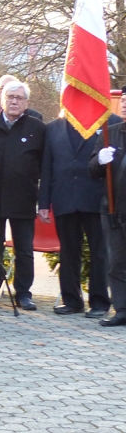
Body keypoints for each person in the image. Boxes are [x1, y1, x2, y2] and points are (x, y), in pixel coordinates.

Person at [39, 112, 120, 317]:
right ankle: (72, 300)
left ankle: (100, 302)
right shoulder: (53, 127)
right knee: (68, 252)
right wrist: (43, 202)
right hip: (64, 196)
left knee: (99, 253)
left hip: (95, 197)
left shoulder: (109, 122)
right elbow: (47, 167)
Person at [0, 81, 45, 311]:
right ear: (1, 99)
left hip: (23, 198)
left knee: (24, 249)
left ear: (26, 102)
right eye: (10, 97)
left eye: (19, 98)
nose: (14, 101)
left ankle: (23, 293)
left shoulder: (37, 128)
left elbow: (45, 166)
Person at [91, 116, 126, 326]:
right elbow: (92, 169)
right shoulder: (109, 133)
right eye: (123, 101)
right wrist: (99, 160)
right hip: (113, 210)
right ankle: (122, 309)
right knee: (116, 263)